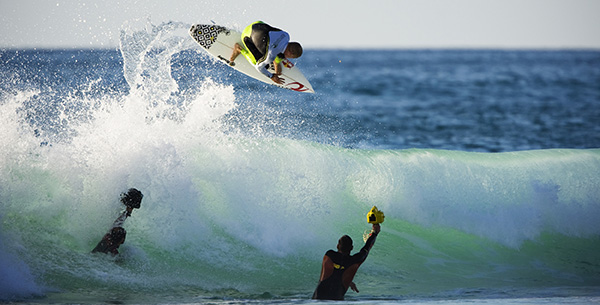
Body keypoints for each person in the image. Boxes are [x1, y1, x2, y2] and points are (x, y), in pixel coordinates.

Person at [312, 223, 381, 300]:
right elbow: (367, 247)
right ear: (351, 248)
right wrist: (375, 233)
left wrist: (349, 282)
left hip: (317, 300)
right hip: (336, 301)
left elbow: (337, 270)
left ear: (337, 246)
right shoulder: (355, 260)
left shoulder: (329, 255)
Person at [229, 21, 303, 85]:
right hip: (246, 35)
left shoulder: (286, 35)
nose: (287, 58)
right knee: (257, 63)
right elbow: (259, 68)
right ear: (290, 53)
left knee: (270, 40)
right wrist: (271, 76)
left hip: (257, 24)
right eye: (291, 57)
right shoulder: (270, 56)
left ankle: (276, 61)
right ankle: (239, 49)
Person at [92, 188, 143, 255]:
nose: (123, 242)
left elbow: (116, 224)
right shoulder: (113, 252)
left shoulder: (107, 238)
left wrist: (127, 212)